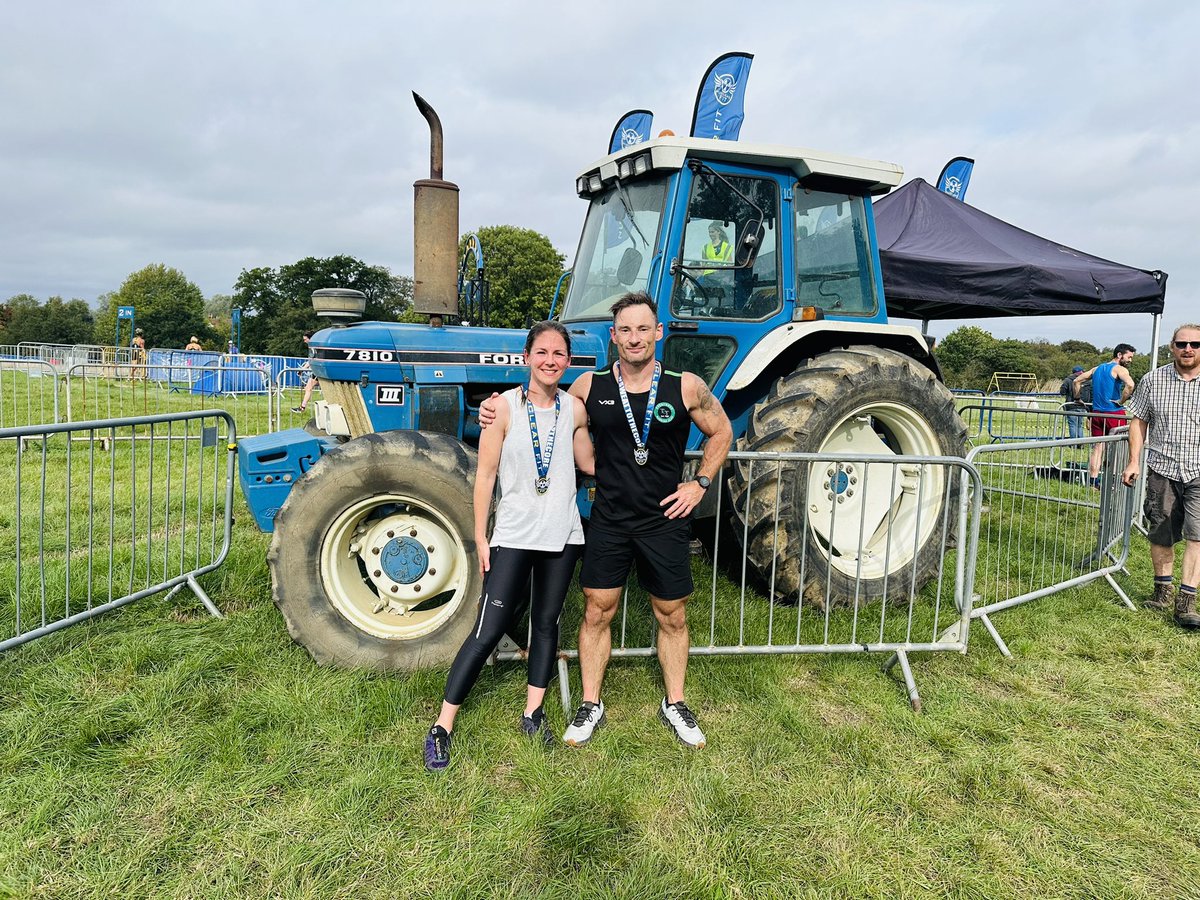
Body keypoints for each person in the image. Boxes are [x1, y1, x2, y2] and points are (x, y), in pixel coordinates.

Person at [480, 292, 733, 749]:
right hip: (610, 519)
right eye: (625, 330)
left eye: (642, 329)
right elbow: (539, 397)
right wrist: (494, 407)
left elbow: (723, 430)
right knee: (598, 610)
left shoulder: (686, 385)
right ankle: (591, 702)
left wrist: (700, 482)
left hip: (664, 519)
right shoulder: (589, 387)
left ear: (658, 333)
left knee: (672, 615)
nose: (634, 338)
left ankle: (674, 701)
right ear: (613, 336)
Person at [424, 322, 595, 771]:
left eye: (559, 353)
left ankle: (533, 714)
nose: (551, 360)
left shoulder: (574, 409)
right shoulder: (501, 409)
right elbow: (485, 477)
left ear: (567, 361)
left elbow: (587, 462)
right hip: (515, 534)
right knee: (489, 628)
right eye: (542, 352)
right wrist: (481, 536)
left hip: (562, 534)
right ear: (526, 358)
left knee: (546, 624)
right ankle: (442, 726)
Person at [1121, 325, 1200, 629]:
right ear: (1172, 346)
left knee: (1196, 535)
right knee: (1161, 530)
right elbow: (1139, 421)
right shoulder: (1154, 380)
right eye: (1182, 343)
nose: (1188, 349)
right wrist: (1133, 461)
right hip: (1163, 468)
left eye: (1195, 344)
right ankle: (1162, 590)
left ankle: (1187, 601)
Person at [1075, 343, 1136, 485]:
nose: (1130, 361)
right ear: (1119, 355)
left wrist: (1078, 399)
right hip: (1114, 414)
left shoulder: (1097, 369)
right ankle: (1113, 481)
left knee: (1097, 448)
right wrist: (1121, 401)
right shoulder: (1119, 369)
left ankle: (1093, 481)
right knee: (1117, 449)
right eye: (1129, 357)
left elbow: (1077, 380)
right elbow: (1131, 385)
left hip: (1097, 414)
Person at [292, 332, 318, 414]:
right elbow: (310, 361)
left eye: (305, 339)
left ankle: (302, 408)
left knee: (308, 388)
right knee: (308, 388)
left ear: (310, 338)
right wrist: (302, 369)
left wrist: (302, 370)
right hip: (317, 371)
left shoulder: (314, 347)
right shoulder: (312, 347)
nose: (304, 341)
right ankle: (302, 407)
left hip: (319, 371)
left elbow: (311, 361)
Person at [1060, 364, 1086, 439]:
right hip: (1082, 405)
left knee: (1072, 425)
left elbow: (1062, 392)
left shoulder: (1068, 380)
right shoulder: (1085, 380)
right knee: (1080, 425)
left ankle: (1074, 443)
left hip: (1071, 405)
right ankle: (1081, 443)